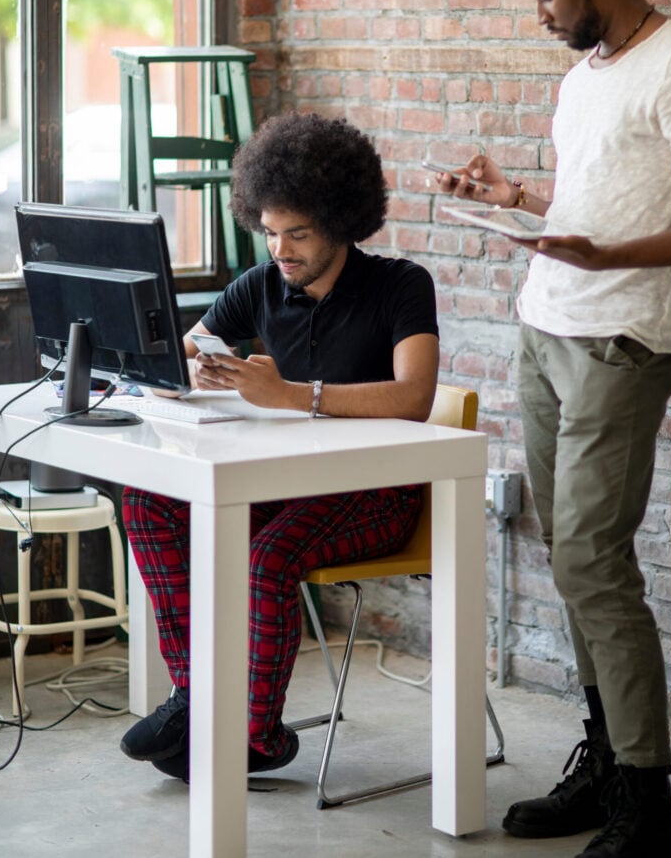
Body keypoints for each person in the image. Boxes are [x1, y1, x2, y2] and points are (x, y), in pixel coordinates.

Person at [434, 0, 671, 858]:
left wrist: (614, 260)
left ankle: (649, 805)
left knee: (592, 562)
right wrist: (510, 196)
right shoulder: (587, 73)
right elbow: (589, 194)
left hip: (626, 339)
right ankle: (606, 764)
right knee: (570, 560)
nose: (542, 12)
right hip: (546, 327)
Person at [120, 111, 440, 782]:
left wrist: (293, 393)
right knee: (149, 500)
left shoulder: (401, 286)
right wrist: (190, 376)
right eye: (269, 233)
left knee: (266, 558)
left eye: (298, 233)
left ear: (342, 221)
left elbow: (414, 395)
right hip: (290, 487)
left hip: (381, 492)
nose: (282, 250)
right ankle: (196, 698)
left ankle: (255, 738)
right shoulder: (261, 287)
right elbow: (175, 359)